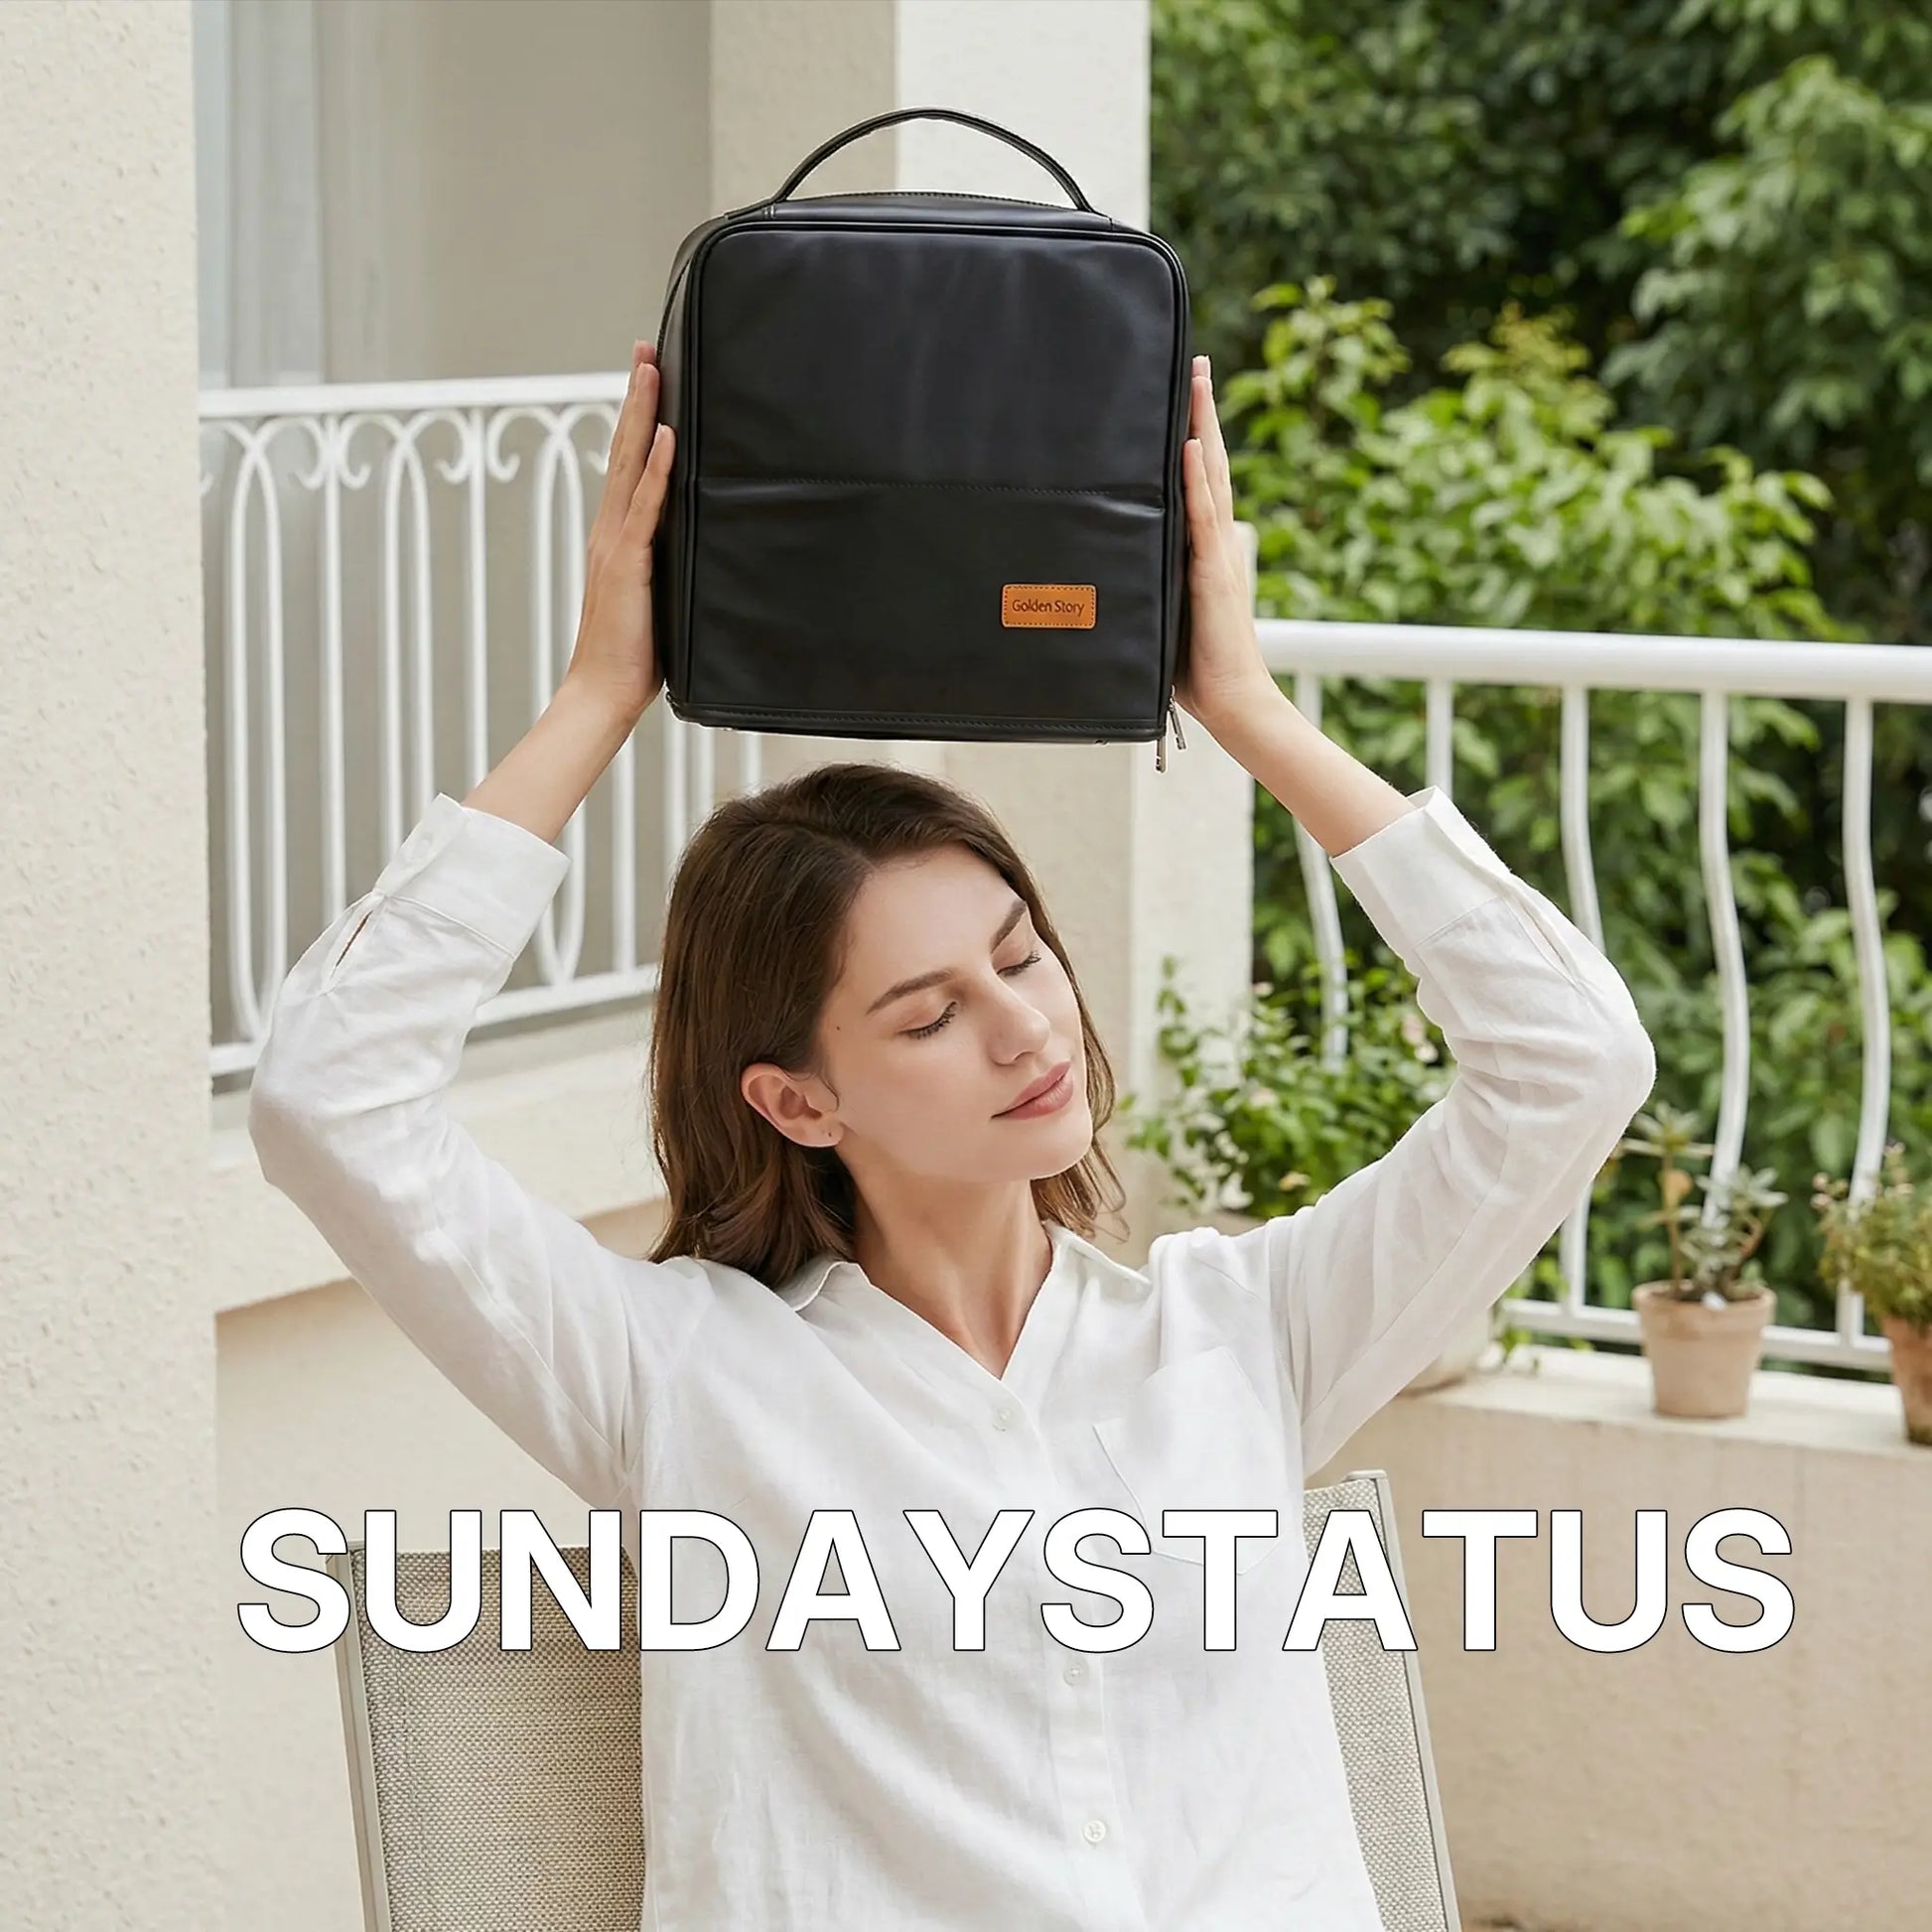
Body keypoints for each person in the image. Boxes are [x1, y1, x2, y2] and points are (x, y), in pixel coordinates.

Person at [248, 341, 1655, 1930]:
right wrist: (596, 697)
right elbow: (328, 1096)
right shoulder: (678, 1375)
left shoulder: (1241, 1335)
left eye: (1020, 953)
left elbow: (1570, 1060)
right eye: (926, 1014)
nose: (1025, 1028)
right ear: (796, 1100)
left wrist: (1245, 706)